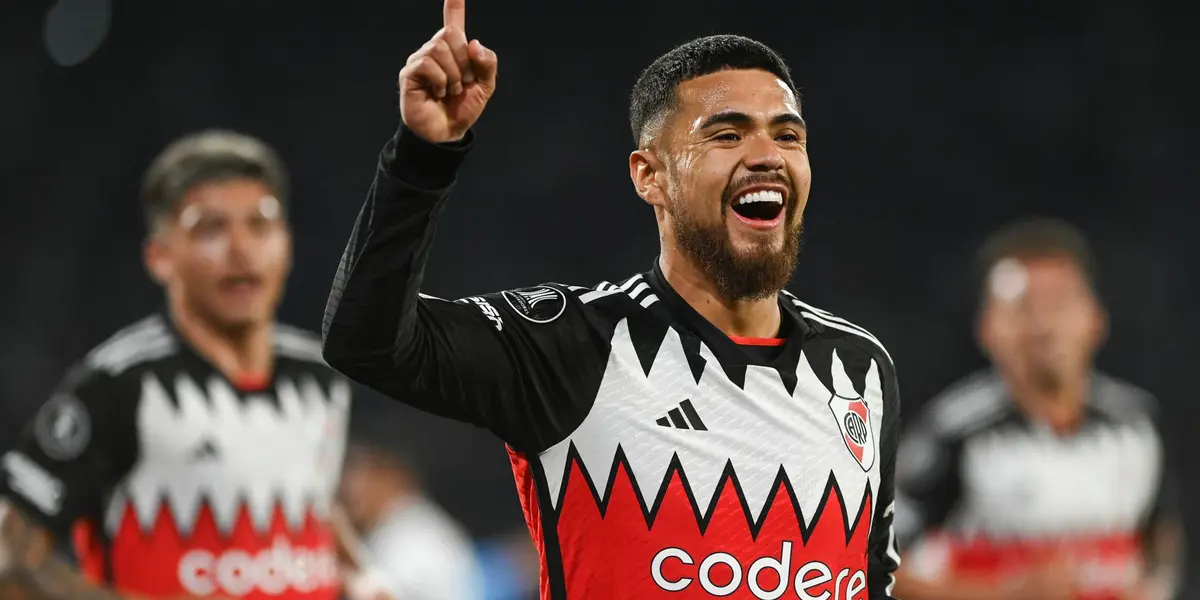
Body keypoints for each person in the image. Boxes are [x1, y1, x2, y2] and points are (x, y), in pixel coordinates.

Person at [321, 0, 903, 597]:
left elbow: (870, 578)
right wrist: (422, 159)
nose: (766, 155)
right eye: (727, 134)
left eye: (787, 135)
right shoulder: (574, 345)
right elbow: (366, 342)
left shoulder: (859, 367)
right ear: (650, 176)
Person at [0, 131, 390, 600]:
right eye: (210, 229)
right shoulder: (116, 386)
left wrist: (363, 579)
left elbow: (312, 508)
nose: (241, 248)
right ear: (160, 257)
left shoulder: (323, 375)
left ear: (285, 245)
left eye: (260, 225)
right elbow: (10, 560)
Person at [891, 218, 1184, 600]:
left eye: (1060, 302)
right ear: (988, 327)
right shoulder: (952, 434)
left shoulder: (1138, 422)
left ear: (1095, 318)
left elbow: (1160, 537)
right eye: (1022, 307)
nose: (1044, 325)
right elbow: (877, 563)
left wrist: (1155, 588)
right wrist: (1004, 594)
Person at [338, 442, 481, 600]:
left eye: (366, 477)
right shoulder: (417, 520)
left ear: (390, 477)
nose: (351, 491)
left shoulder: (408, 533)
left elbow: (381, 595)